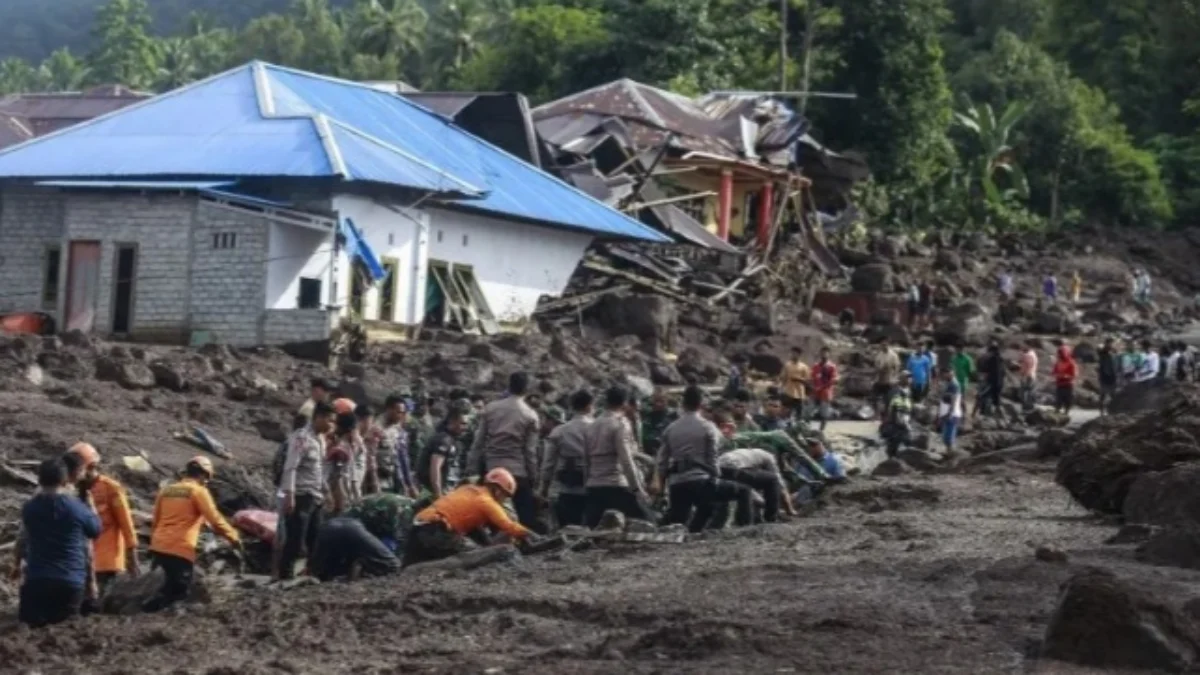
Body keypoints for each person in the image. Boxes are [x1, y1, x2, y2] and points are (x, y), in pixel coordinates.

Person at [144, 456, 241, 612]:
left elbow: (156, 520)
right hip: (180, 547)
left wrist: (154, 544)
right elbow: (215, 519)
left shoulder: (167, 490)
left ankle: (151, 611)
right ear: (204, 475)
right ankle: (150, 613)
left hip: (159, 545)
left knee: (170, 585)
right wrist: (233, 537)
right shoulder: (198, 491)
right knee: (180, 590)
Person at [14, 458, 102, 627]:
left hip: (37, 579)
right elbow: (95, 531)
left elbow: (24, 539)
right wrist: (91, 508)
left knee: (28, 634)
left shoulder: (30, 508)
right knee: (63, 636)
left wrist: (17, 563)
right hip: (70, 580)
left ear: (39, 480)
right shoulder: (77, 508)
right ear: (65, 480)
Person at [655, 385, 753, 533]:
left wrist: (661, 489)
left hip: (676, 486)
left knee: (680, 520)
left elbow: (661, 463)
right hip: (701, 482)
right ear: (701, 404)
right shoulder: (708, 427)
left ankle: (691, 532)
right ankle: (746, 532)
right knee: (743, 491)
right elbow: (713, 458)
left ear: (683, 403)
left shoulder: (670, 428)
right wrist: (716, 477)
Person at [403, 468, 532, 567]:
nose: (503, 501)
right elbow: (508, 525)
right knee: (480, 558)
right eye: (505, 496)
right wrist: (530, 535)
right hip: (438, 530)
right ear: (497, 490)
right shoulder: (486, 501)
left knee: (408, 567)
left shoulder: (467, 489)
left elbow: (475, 529)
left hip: (419, 525)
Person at [466, 371, 542, 531]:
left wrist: (472, 470)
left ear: (509, 386)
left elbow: (478, 443)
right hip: (518, 471)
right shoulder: (530, 415)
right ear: (527, 389)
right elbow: (530, 451)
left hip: (492, 470)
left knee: (493, 517)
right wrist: (534, 477)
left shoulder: (491, 409)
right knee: (524, 516)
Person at [67, 443, 139, 599]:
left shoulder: (110, 488)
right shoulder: (72, 492)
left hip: (106, 563)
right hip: (82, 563)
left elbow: (126, 524)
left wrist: (132, 558)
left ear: (91, 466)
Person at [278, 401, 334, 580]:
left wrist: (327, 491)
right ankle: (284, 578)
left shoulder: (321, 440)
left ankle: (310, 576)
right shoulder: (302, 437)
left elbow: (318, 469)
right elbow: (291, 467)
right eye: (330, 421)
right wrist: (290, 494)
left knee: (315, 540)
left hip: (315, 496)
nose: (332, 426)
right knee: (295, 542)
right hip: (301, 495)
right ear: (319, 418)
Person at [583, 386, 654, 527]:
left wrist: (587, 483)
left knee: (591, 529)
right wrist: (637, 489)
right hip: (615, 484)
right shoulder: (620, 424)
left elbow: (586, 460)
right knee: (647, 522)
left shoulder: (591, 425)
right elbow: (626, 459)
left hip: (594, 485)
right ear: (625, 403)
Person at [714, 416, 796, 523]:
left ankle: (746, 522)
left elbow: (753, 491)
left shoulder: (748, 454)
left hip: (719, 468)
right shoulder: (767, 456)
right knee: (772, 480)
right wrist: (789, 509)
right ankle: (771, 519)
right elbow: (779, 483)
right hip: (732, 466)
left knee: (746, 490)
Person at [540, 390, 595, 528]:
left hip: (568, 488)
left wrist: (544, 489)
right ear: (589, 406)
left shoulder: (559, 431)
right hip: (595, 488)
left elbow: (548, 464)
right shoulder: (598, 428)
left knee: (568, 530)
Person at [416, 408, 469, 499]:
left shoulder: (453, 440)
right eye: (462, 424)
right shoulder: (444, 440)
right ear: (452, 421)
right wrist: (438, 494)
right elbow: (435, 467)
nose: (465, 428)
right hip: (430, 491)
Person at [378, 395, 416, 496]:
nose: (401, 416)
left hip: (391, 479)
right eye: (398, 412)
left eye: (403, 413)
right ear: (389, 410)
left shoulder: (396, 430)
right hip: (376, 480)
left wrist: (407, 483)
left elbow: (399, 458)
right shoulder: (376, 429)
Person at [324, 412, 358, 515]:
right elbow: (337, 479)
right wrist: (341, 504)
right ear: (351, 430)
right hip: (337, 500)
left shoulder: (340, 445)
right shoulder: (340, 450)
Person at [353, 404, 380, 496]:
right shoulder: (354, 440)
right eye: (370, 421)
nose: (372, 425)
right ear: (363, 420)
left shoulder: (366, 438)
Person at [640, 390, 678, 455]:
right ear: (652, 401)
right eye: (656, 401)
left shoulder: (673, 416)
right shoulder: (647, 415)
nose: (658, 404)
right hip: (649, 453)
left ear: (666, 401)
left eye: (662, 401)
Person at [872, 337, 902, 417]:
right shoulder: (879, 354)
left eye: (885, 344)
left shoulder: (893, 355)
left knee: (888, 399)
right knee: (875, 397)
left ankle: (886, 415)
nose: (883, 346)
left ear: (888, 344)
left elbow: (897, 367)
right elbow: (876, 366)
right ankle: (877, 414)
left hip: (889, 379)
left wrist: (894, 377)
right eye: (882, 344)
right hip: (879, 378)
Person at [811, 348, 838, 431]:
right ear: (820, 354)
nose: (824, 355)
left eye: (826, 353)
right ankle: (807, 429)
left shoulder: (832, 367)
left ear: (829, 354)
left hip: (825, 393)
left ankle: (821, 430)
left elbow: (833, 380)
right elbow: (812, 377)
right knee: (808, 411)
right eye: (822, 353)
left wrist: (822, 387)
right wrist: (813, 387)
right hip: (815, 392)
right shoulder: (816, 366)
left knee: (824, 413)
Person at [937, 369, 964, 453]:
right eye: (945, 374)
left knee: (949, 436)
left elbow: (954, 399)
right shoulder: (947, 384)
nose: (946, 376)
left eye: (948, 374)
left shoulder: (954, 385)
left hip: (952, 413)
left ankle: (950, 453)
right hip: (947, 412)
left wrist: (950, 412)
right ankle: (948, 452)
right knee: (945, 435)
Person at [976, 343, 1005, 418]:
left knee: (981, 397)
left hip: (991, 383)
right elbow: (1003, 372)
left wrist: (983, 379)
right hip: (999, 384)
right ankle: (1002, 420)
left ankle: (977, 416)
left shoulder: (990, 359)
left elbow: (986, 372)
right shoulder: (1001, 359)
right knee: (997, 402)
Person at [780, 347, 810, 420]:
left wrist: (799, 379)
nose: (793, 355)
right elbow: (783, 378)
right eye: (792, 353)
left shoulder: (804, 366)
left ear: (799, 355)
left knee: (799, 413)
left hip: (799, 393)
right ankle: (786, 427)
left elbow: (807, 381)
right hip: (788, 392)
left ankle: (798, 428)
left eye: (795, 353)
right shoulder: (787, 365)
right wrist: (781, 388)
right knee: (786, 412)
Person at [1052, 345, 1078, 415]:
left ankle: (1066, 412)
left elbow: (1074, 375)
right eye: (1059, 353)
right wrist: (1056, 375)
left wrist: (1066, 376)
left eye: (1061, 353)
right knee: (1058, 400)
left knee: (1067, 400)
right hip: (1059, 384)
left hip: (1068, 384)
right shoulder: (1058, 362)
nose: (1060, 355)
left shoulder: (1071, 363)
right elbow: (1054, 372)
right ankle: (1057, 411)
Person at [1097, 338, 1120, 415]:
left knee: (1113, 395)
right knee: (1103, 395)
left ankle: (1113, 411)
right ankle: (1101, 412)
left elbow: (1117, 363)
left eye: (1111, 343)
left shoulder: (1115, 352)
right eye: (1108, 343)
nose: (1110, 345)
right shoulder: (1102, 352)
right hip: (1104, 376)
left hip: (1113, 376)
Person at [1019, 342, 1039, 411]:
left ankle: (1026, 406)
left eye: (1024, 345)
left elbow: (1027, 367)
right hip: (1032, 375)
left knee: (1025, 391)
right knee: (1030, 391)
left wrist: (1023, 375)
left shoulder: (1028, 355)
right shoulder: (1033, 354)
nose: (1022, 347)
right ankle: (1030, 405)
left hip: (1027, 375)